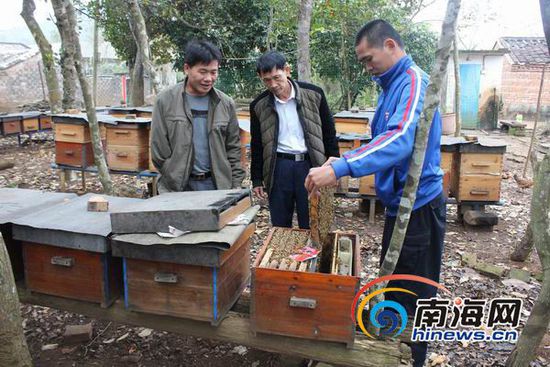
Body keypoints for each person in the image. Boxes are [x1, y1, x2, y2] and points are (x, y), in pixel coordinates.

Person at [304, 20, 445, 367]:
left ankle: (412, 359)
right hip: (399, 205)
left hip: (419, 208)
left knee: (414, 294)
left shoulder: (413, 82)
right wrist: (344, 158)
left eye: (369, 59)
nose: (367, 67)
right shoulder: (391, 86)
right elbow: (384, 139)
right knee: (394, 285)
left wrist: (340, 168)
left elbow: (400, 139)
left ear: (391, 46)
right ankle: (392, 354)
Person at [250, 51, 339, 229]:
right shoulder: (258, 105)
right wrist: (257, 178)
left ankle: (316, 254)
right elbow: (257, 144)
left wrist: (335, 168)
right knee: (280, 224)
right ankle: (283, 257)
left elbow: (329, 133)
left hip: (311, 165)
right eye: (267, 80)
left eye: (277, 77)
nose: (273, 84)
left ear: (287, 70)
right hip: (279, 168)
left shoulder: (314, 94)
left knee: (315, 221)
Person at [151, 40, 244, 193]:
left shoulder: (225, 103)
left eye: (213, 72)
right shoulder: (165, 101)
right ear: (187, 68)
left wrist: (235, 184)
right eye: (203, 71)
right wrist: (172, 175)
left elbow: (233, 148)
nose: (209, 78)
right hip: (177, 188)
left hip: (217, 186)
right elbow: (159, 151)